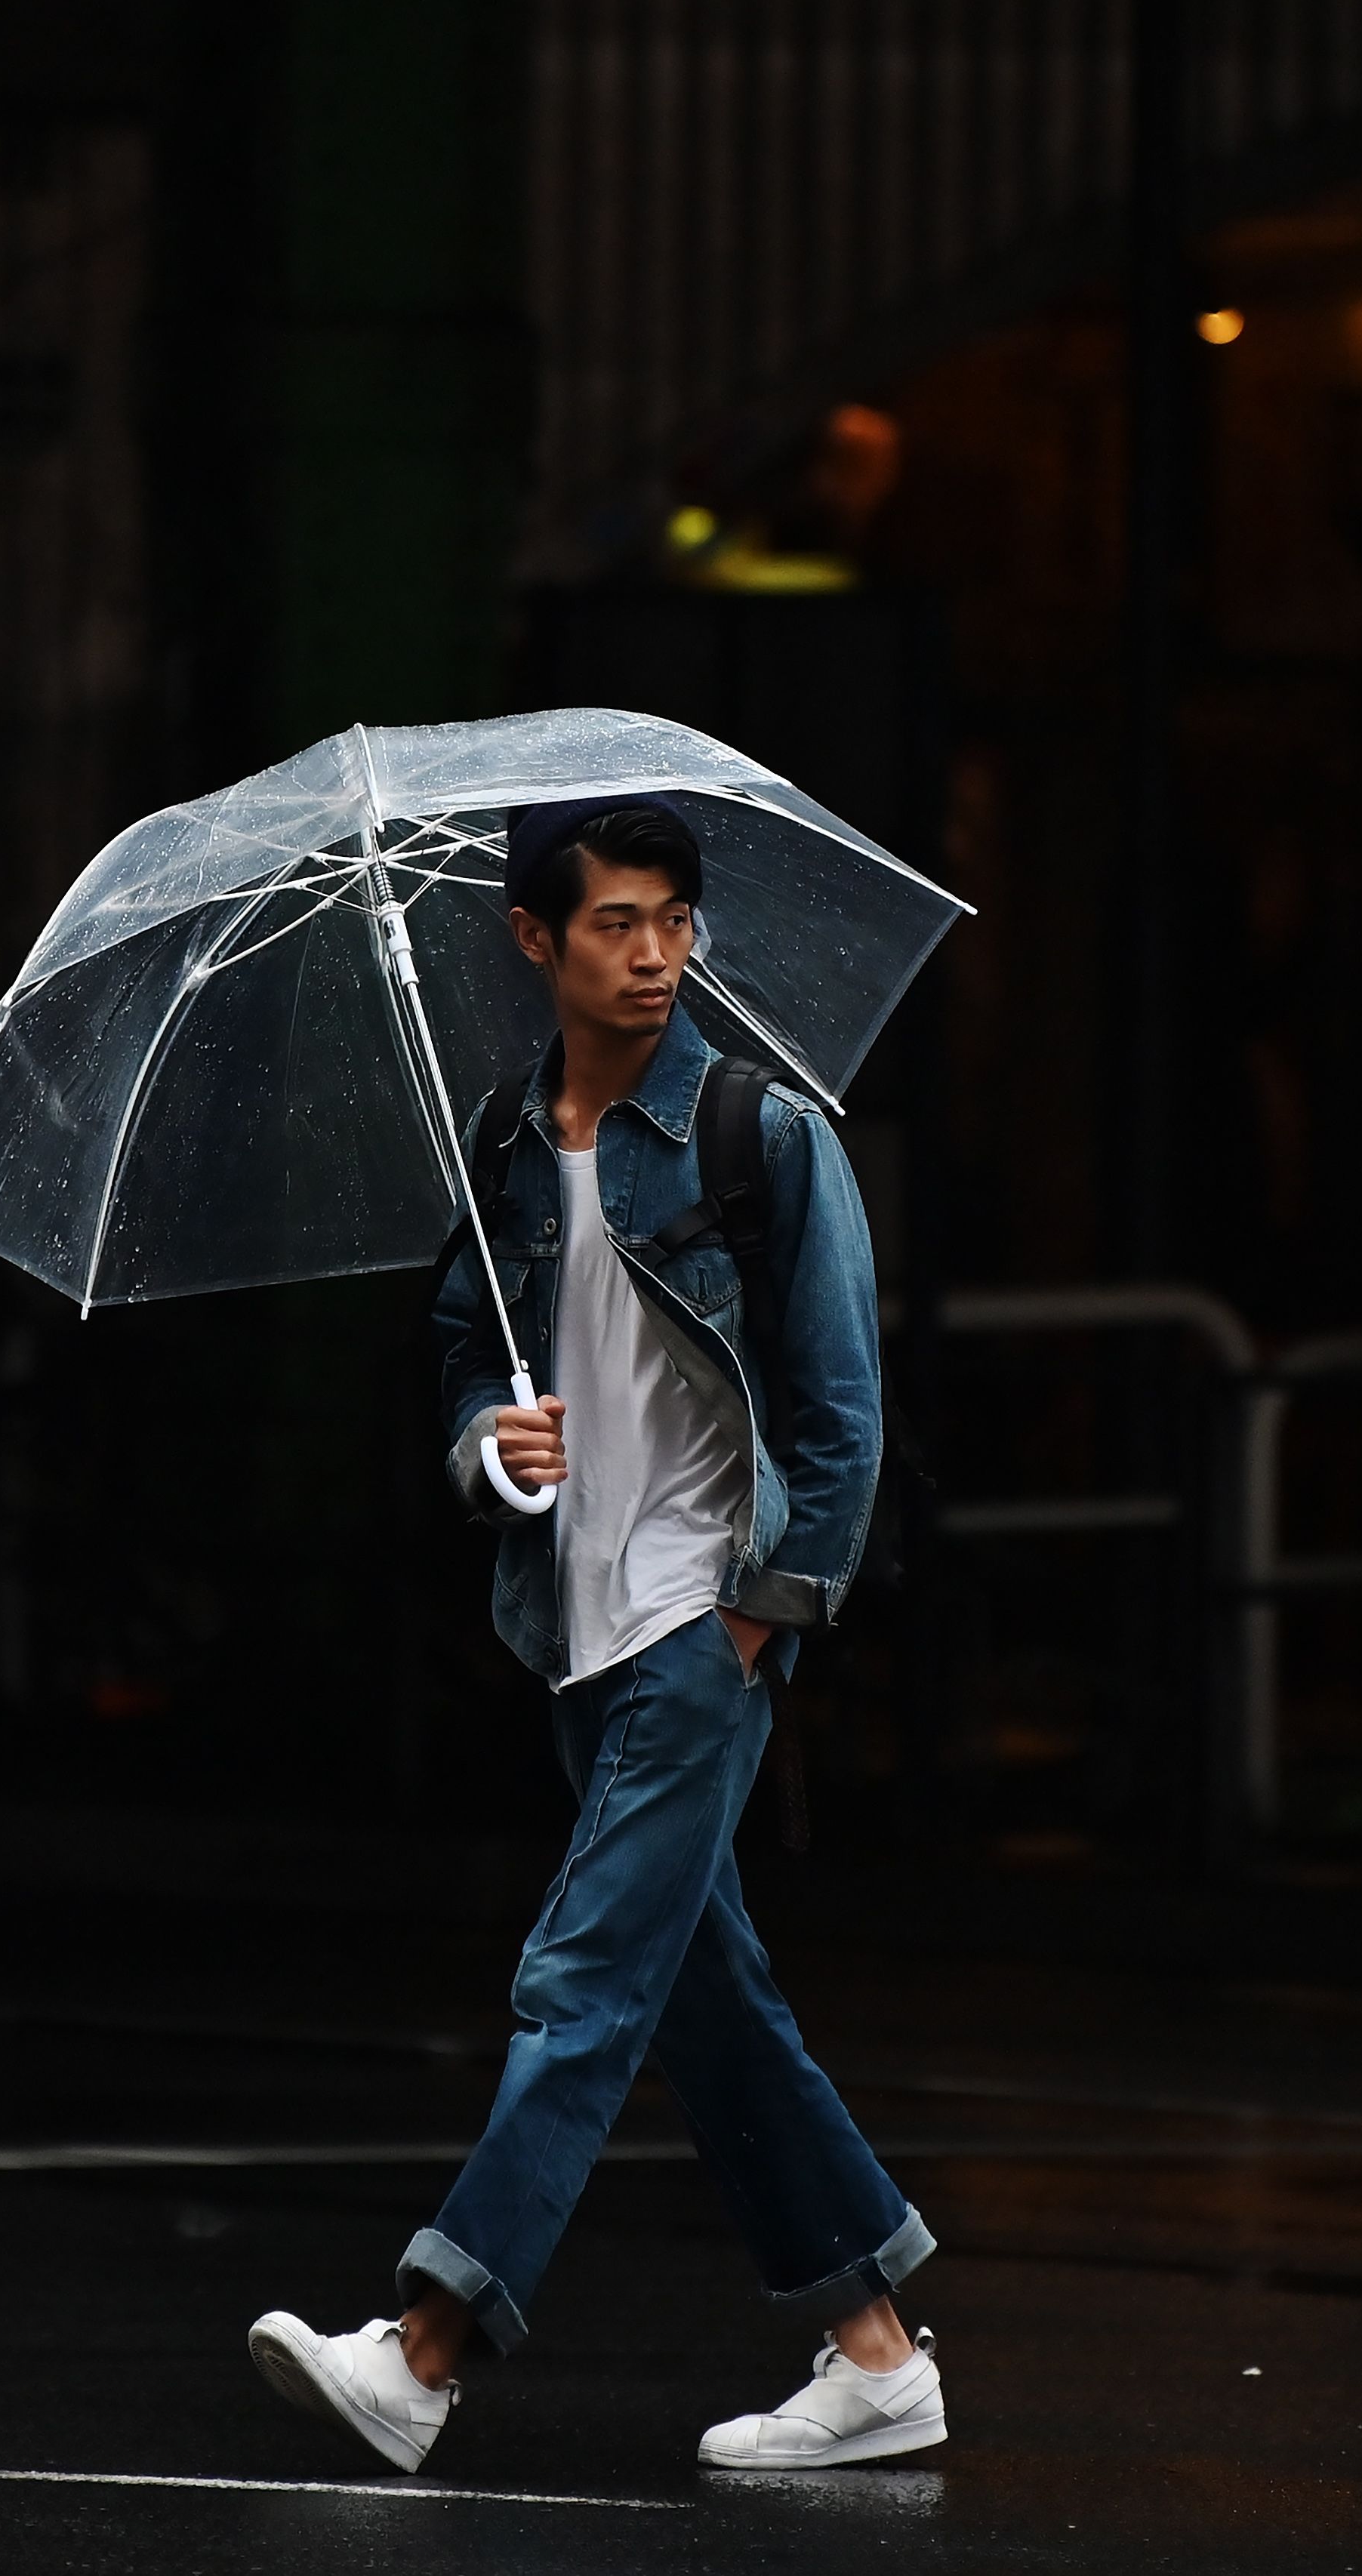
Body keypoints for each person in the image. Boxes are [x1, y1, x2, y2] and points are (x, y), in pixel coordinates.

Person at [247, 792, 939, 2476]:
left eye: (675, 921)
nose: (653, 954)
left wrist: (767, 1620)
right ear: (534, 941)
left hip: (705, 1624)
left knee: (583, 1985)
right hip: (573, 1628)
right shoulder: (501, 1145)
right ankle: (877, 2354)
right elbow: (463, 1363)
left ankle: (425, 2350)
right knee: (706, 2001)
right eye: (616, 924)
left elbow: (844, 1414)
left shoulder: (758, 1135)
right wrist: (495, 1447)